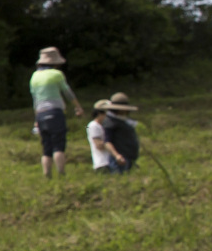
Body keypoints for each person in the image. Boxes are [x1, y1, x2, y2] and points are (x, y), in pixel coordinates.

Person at [28, 47, 84, 179]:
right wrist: (78, 107)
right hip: (55, 112)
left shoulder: (34, 76)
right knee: (58, 145)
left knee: (46, 148)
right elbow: (68, 93)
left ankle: (47, 175)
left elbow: (35, 99)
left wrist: (36, 119)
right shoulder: (57, 74)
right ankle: (61, 174)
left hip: (41, 114)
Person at [93, 93, 140, 172]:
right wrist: (117, 155)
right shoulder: (110, 122)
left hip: (129, 158)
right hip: (120, 160)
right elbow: (107, 142)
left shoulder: (124, 121)